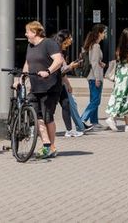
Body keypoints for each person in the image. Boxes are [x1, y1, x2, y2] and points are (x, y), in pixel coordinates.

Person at [23, 21, 64, 159]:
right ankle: (46, 144)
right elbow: (27, 64)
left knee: (47, 117)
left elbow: (58, 60)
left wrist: (48, 71)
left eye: (27, 31)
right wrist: (20, 80)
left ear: (34, 32)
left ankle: (52, 147)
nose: (25, 34)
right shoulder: (30, 46)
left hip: (50, 86)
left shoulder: (48, 44)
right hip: (35, 87)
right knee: (35, 115)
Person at [53, 30, 86, 138]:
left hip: (60, 83)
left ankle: (69, 130)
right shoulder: (56, 51)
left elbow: (62, 73)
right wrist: (71, 66)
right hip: (52, 84)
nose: (72, 40)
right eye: (70, 37)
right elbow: (59, 70)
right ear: (64, 39)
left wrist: (68, 84)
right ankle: (37, 129)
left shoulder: (63, 51)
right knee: (49, 109)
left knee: (66, 104)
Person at [105, 28, 128, 132]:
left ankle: (127, 123)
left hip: (120, 76)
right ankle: (112, 117)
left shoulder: (119, 49)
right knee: (127, 98)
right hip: (127, 76)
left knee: (120, 96)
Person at [79, 24, 108, 130]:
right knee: (96, 101)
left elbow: (94, 61)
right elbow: (94, 63)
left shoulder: (92, 45)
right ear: (99, 33)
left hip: (92, 76)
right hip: (94, 77)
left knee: (94, 99)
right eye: (104, 32)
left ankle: (94, 122)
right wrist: (97, 78)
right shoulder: (96, 46)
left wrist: (101, 63)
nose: (105, 34)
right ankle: (82, 120)